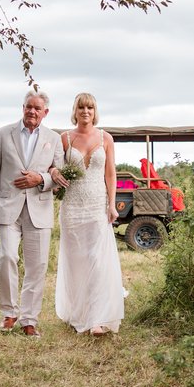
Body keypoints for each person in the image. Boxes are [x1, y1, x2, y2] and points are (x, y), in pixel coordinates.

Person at [0, 89, 67, 338]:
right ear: (23, 107)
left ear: (45, 113)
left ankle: (29, 319)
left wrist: (41, 178)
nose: (32, 111)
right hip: (7, 207)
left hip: (39, 208)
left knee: (37, 265)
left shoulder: (54, 138)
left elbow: (61, 175)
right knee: (6, 256)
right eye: (29, 106)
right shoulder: (3, 134)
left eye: (37, 108)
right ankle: (9, 313)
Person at [55, 92, 126, 336]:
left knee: (97, 260)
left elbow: (110, 173)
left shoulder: (106, 138)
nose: (86, 111)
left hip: (97, 204)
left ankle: (97, 318)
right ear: (75, 111)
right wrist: (55, 173)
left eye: (90, 108)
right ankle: (79, 313)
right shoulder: (64, 139)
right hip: (72, 207)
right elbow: (53, 166)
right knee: (76, 261)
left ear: (95, 112)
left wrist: (112, 204)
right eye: (81, 107)